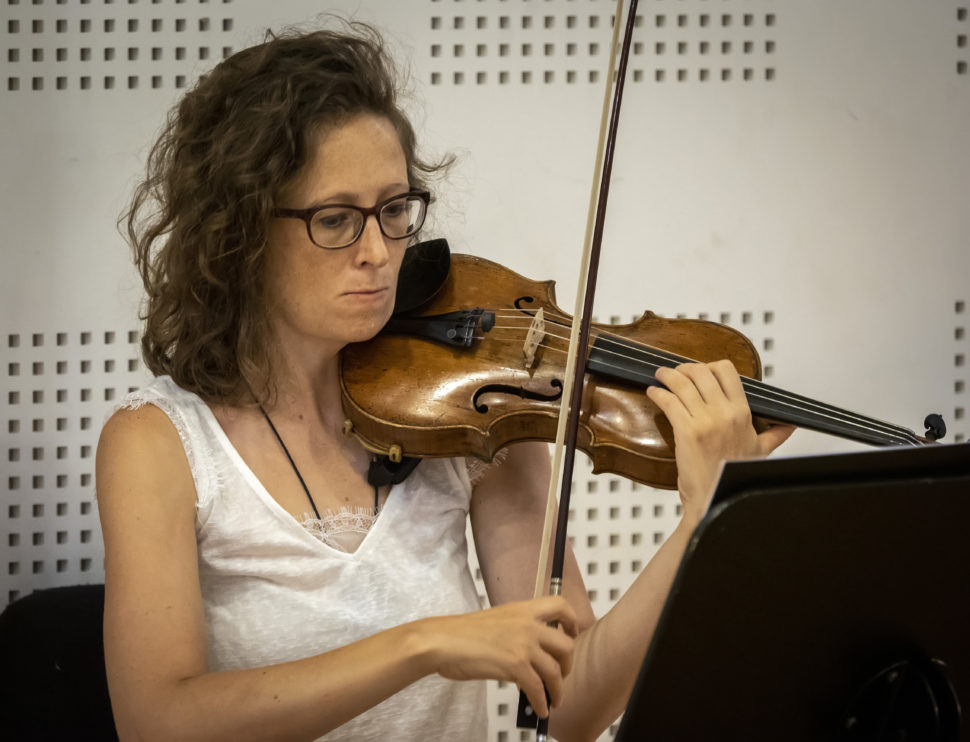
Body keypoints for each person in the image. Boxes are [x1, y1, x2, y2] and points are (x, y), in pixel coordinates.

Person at [96, 22, 794, 742]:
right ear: (237, 232)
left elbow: (574, 706)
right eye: (336, 219)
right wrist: (424, 644)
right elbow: (158, 721)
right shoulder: (159, 445)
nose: (378, 252)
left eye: (395, 211)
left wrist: (700, 519)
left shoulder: (474, 410)